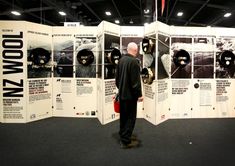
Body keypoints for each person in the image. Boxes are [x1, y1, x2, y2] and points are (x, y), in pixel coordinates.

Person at [115, 42, 143, 149]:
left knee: (123, 117)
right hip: (130, 97)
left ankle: (123, 135)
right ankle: (126, 141)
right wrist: (139, 95)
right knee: (130, 118)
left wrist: (121, 89)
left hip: (122, 95)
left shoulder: (121, 60)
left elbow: (117, 80)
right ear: (135, 50)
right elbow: (135, 83)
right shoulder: (134, 62)